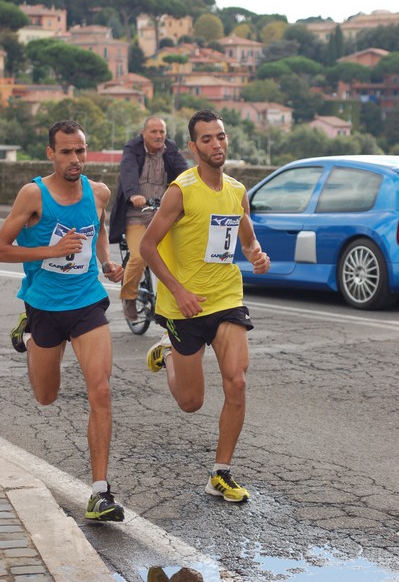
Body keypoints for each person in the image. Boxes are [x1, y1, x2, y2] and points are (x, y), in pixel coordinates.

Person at [140, 109, 270, 503]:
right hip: (185, 307)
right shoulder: (182, 190)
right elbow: (147, 246)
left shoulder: (236, 191)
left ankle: (221, 473)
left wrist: (257, 254)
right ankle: (168, 351)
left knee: (237, 381)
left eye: (222, 137)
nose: (217, 145)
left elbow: (246, 239)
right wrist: (178, 291)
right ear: (194, 147)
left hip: (226, 297)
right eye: (208, 139)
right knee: (190, 402)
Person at [0, 120, 125, 522]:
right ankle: (29, 330)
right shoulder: (33, 194)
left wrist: (106, 261)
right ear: (51, 153)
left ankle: (100, 493)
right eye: (67, 152)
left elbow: (98, 231)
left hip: (87, 301)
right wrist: (49, 250)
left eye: (82, 150)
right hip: (44, 306)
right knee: (45, 396)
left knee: (101, 389)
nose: (76, 159)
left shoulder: (99, 192)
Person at [109, 115, 188, 321]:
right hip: (135, 214)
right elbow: (128, 172)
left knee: (177, 255)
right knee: (139, 255)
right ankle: (129, 296)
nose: (158, 135)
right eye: (154, 131)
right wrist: (134, 194)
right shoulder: (132, 149)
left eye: (162, 131)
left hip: (161, 213)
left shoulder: (170, 149)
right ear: (144, 133)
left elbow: (184, 172)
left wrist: (192, 189)